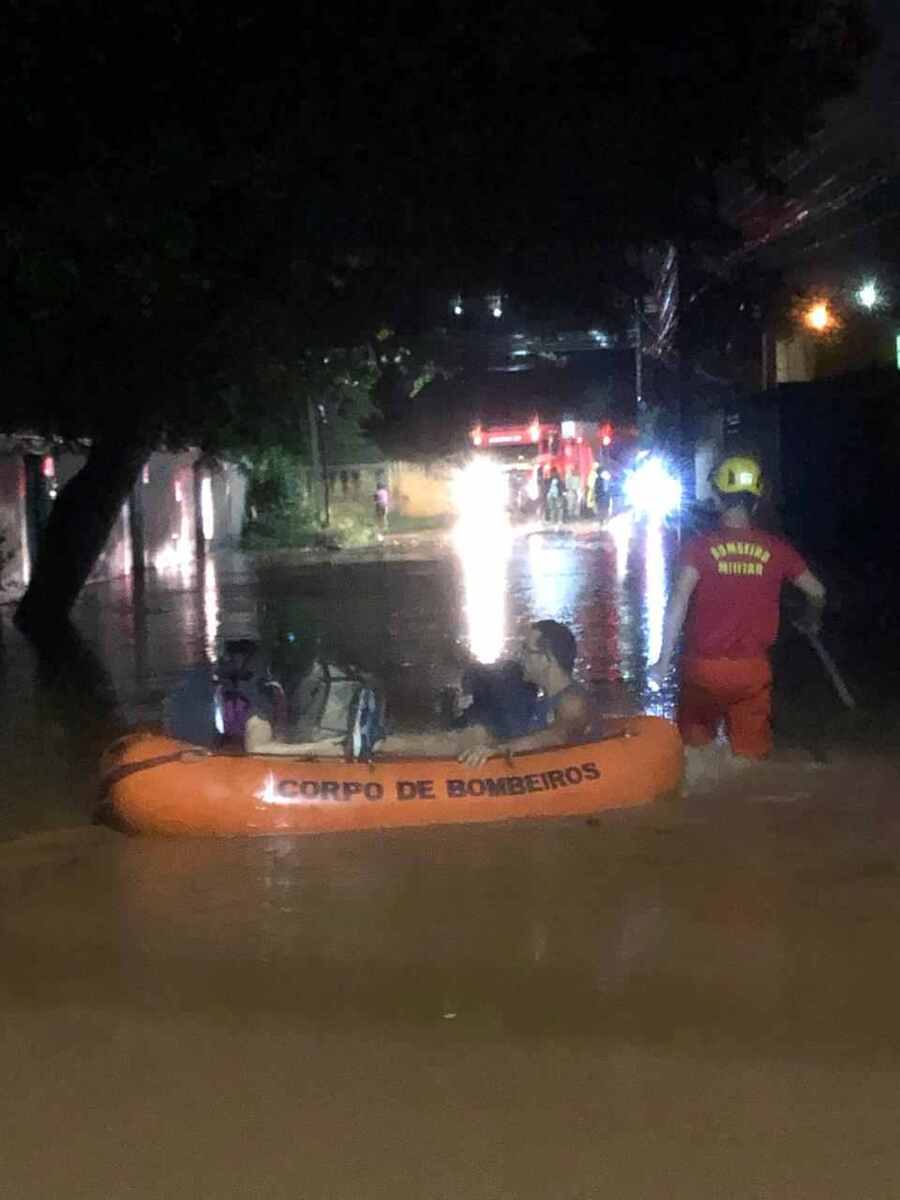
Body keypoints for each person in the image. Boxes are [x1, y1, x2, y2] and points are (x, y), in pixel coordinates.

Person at [649, 455, 826, 762]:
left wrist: (663, 661)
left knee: (693, 756)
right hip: (752, 671)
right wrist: (812, 619)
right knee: (750, 760)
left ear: (718, 499)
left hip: (702, 670)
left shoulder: (698, 548)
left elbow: (678, 601)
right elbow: (817, 591)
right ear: (757, 502)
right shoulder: (777, 550)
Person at [245, 620, 600, 765]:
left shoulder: (571, 699)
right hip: (493, 735)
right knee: (465, 732)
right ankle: (361, 742)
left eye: (528, 651)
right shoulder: (532, 693)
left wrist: (497, 750)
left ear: (549, 659)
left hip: (509, 750)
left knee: (466, 738)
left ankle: (367, 743)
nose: (520, 656)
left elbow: (559, 735)